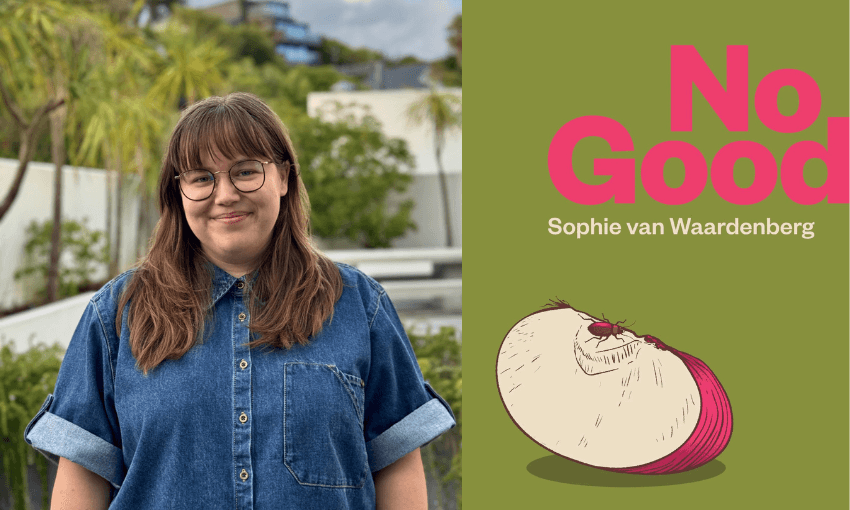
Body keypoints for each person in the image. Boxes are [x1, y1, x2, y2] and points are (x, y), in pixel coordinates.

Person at [24, 92, 456, 509]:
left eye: (246, 171)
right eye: (201, 178)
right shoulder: (117, 314)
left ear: (284, 177)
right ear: (179, 192)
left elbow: (397, 465)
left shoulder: (359, 306)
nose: (225, 194)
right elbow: (82, 478)